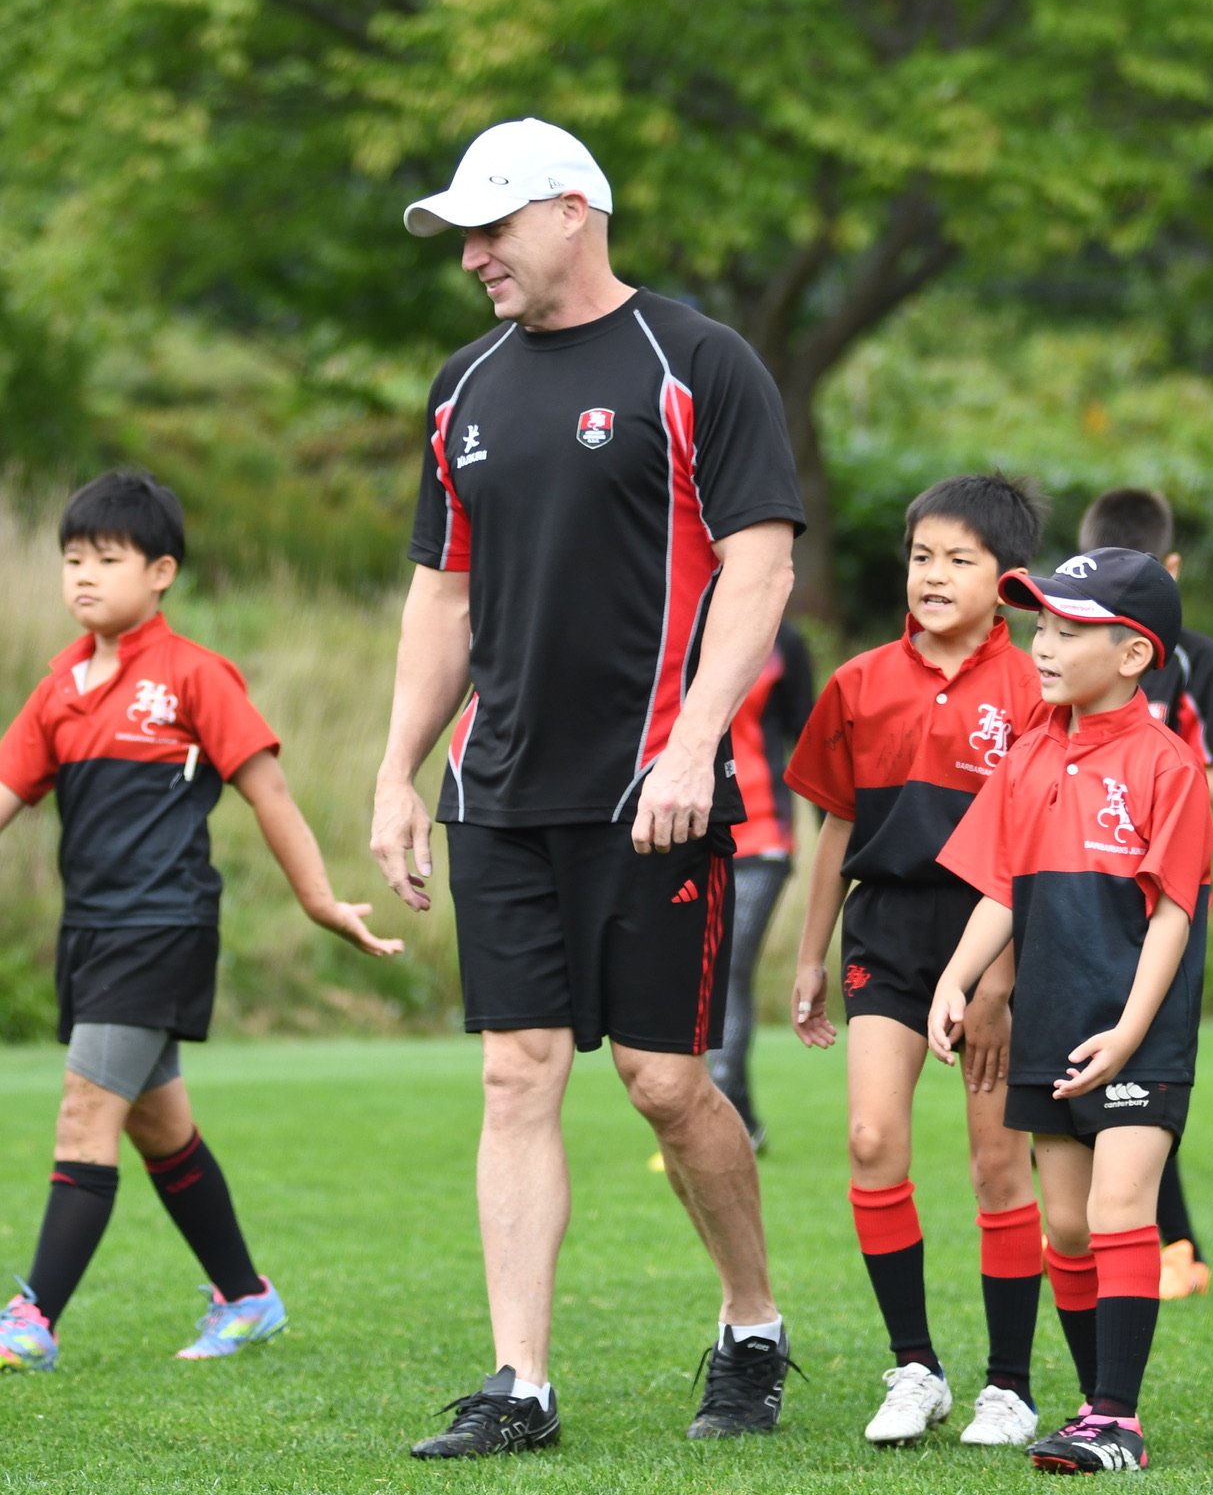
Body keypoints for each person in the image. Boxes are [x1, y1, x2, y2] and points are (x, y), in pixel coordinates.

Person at [373, 118, 806, 1455]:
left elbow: (762, 566)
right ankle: (521, 1384)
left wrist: (692, 743)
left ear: (573, 211)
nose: (473, 258)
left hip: (653, 793)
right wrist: (395, 771)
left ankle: (751, 1325)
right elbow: (442, 595)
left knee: (664, 1084)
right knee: (517, 1076)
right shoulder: (462, 387)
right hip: (498, 790)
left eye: (492, 228)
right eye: (463, 237)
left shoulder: (698, 361)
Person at [0, 472, 400, 1374]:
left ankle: (33, 1318)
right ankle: (246, 1297)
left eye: (106, 560)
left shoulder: (195, 676)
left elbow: (270, 793)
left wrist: (319, 901)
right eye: (71, 559)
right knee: (158, 1127)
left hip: (162, 929)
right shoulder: (59, 689)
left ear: (161, 572)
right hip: (89, 935)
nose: (83, 575)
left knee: (86, 1113)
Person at [928, 547, 1213, 1476]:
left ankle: (1118, 1421)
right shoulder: (1028, 753)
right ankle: (1096, 1406)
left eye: (1067, 631)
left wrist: (1130, 1031)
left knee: (1120, 1206)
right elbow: (1001, 889)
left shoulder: (1168, 764)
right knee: (1069, 1226)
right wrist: (957, 978)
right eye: (1041, 628)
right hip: (1049, 1022)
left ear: (1133, 655)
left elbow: (1173, 914)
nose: (1042, 646)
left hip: (1138, 1029)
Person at [784, 474, 1051, 1448]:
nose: (933, 575)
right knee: (869, 1140)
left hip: (993, 938)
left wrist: (997, 984)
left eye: (959, 560)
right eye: (921, 556)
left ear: (1007, 581)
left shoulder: (1034, 689)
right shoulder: (857, 683)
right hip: (886, 932)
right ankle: (916, 1369)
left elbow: (1033, 848)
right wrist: (810, 956)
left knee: (995, 1162)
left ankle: (1009, 1387)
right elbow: (835, 826)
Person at [1075, 488, 1213, 1299]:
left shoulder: (1198, 659)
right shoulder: (1069, 660)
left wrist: (1148, 801)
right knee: (1078, 1060)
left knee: (1145, 1066)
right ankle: (1094, 1229)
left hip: (1164, 893)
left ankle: (1176, 1242)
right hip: (1077, 891)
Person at [710, 621, 815, 1152]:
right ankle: (742, 1123)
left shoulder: (783, 643)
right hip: (688, 834)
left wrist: (844, 843)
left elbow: (811, 741)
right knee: (701, 974)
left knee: (724, 969)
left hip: (761, 835)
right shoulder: (675, 622)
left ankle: (722, 1119)